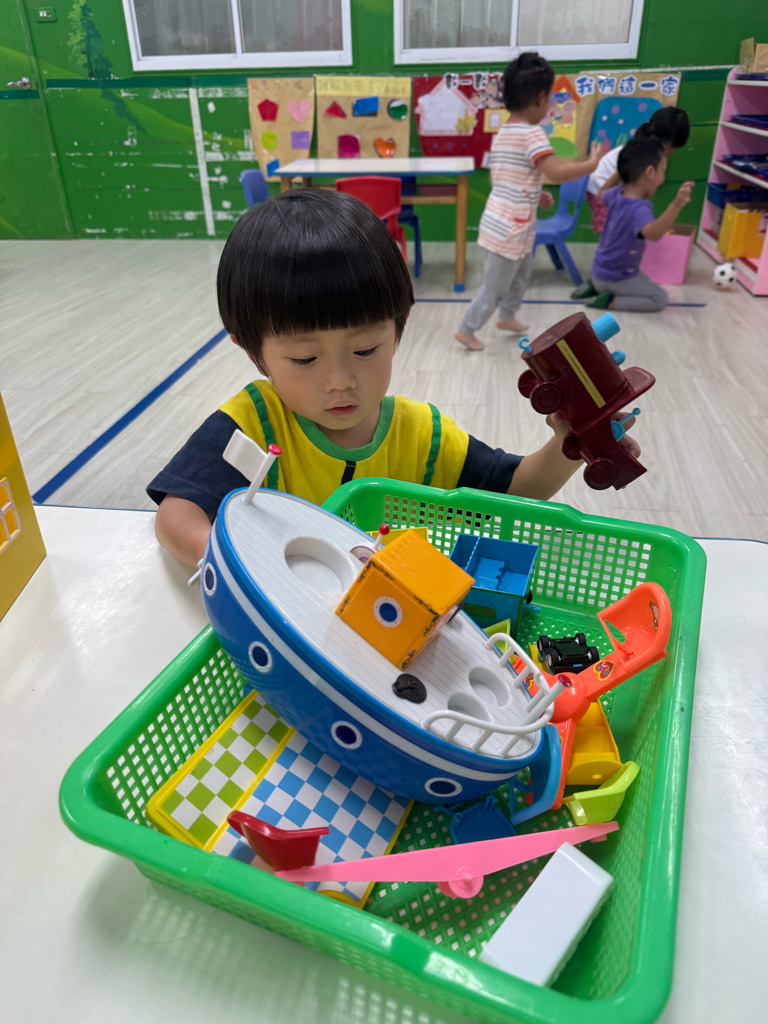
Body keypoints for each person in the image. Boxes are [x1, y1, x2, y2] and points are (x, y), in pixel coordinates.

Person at [147, 189, 638, 567]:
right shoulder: (254, 422)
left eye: (365, 350)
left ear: (399, 328)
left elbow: (514, 491)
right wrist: (238, 564)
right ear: (254, 354)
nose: (340, 380)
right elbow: (176, 514)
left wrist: (570, 442)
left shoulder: (421, 437)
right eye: (304, 359)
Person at [454, 52, 602, 353]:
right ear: (540, 98)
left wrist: (536, 194)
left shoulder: (504, 132)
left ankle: (506, 317)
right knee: (495, 288)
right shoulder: (533, 134)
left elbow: (503, 178)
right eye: (550, 99)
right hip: (507, 230)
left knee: (521, 277)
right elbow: (556, 172)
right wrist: (591, 164)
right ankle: (466, 330)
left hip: (511, 225)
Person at [578, 135, 694, 313]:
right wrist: (676, 205)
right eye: (663, 169)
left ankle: (596, 286)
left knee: (642, 279)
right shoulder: (638, 208)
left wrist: (622, 170)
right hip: (617, 278)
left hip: (598, 272)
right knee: (659, 298)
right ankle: (608, 302)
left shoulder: (615, 194)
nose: (663, 178)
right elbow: (654, 234)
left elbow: (601, 194)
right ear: (650, 172)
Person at [582, 106, 690, 238]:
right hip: (601, 184)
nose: (671, 153)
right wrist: (676, 205)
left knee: (619, 231)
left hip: (608, 188)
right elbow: (608, 189)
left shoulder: (646, 150)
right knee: (613, 232)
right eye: (672, 148)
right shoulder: (642, 156)